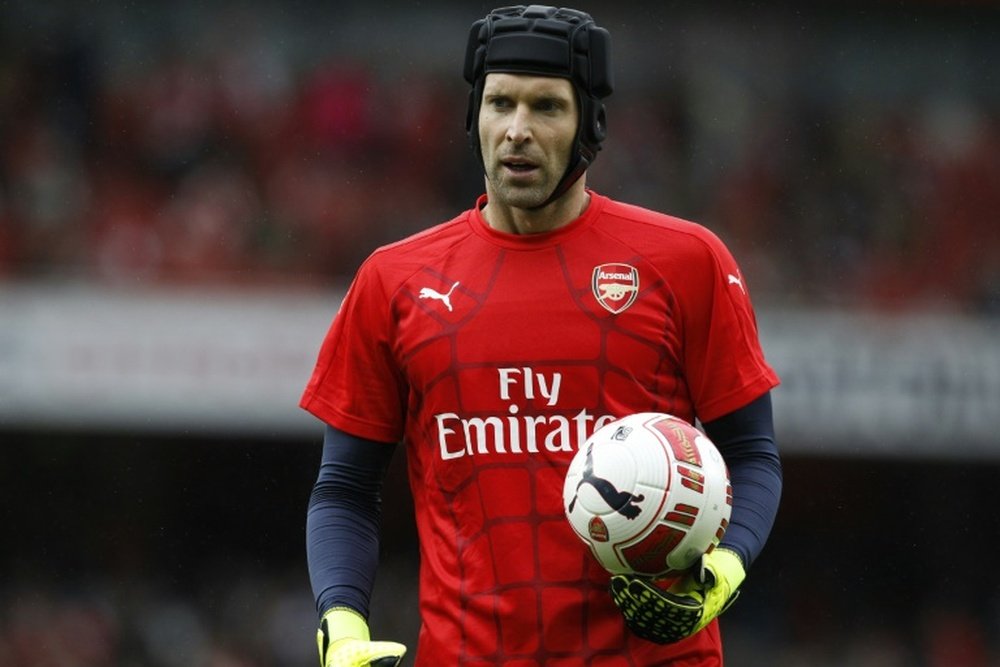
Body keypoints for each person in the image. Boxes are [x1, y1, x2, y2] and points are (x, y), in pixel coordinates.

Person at [301, 5, 782, 666]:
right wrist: (342, 619)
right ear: (475, 118)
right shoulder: (395, 280)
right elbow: (344, 489)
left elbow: (752, 453)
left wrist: (726, 565)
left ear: (591, 125)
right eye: (500, 103)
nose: (518, 131)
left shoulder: (686, 261)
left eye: (547, 107)